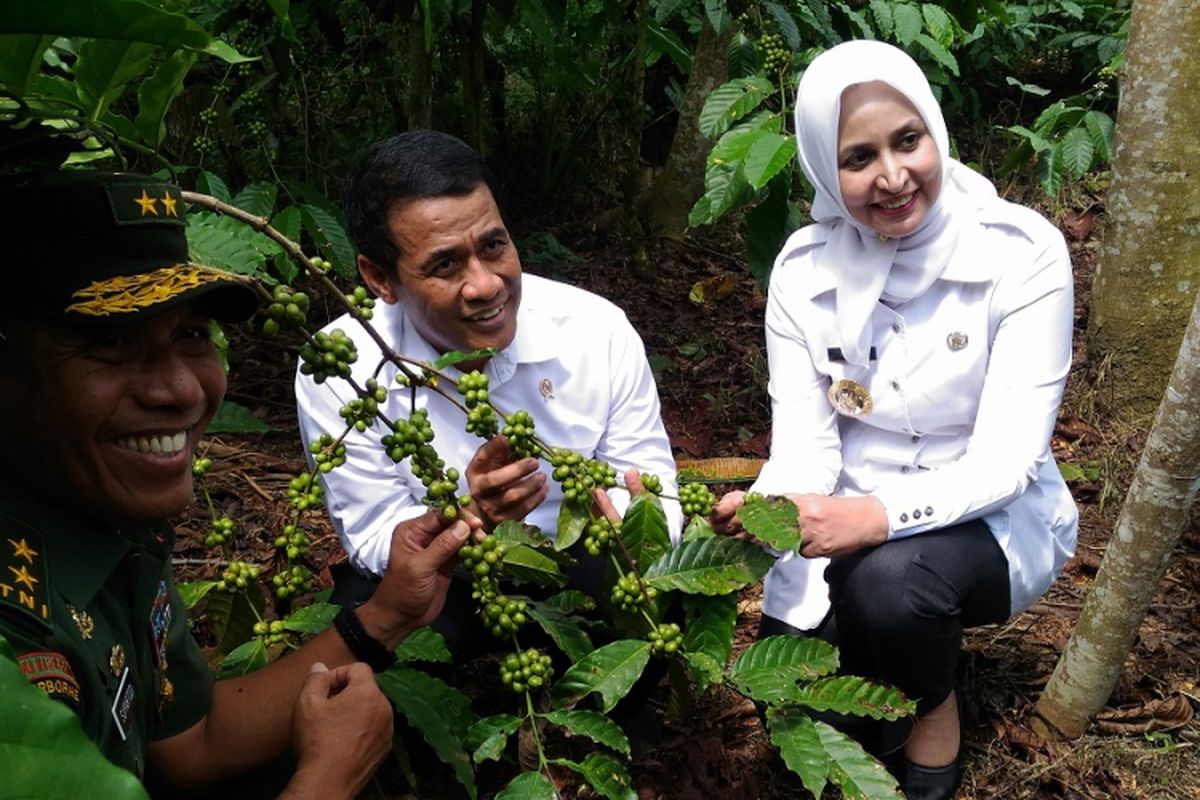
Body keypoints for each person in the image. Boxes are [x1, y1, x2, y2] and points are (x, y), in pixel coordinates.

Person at [0, 170, 476, 797]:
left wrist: (388, 614)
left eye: (192, 336)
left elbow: (191, 744)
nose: (181, 390)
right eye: (109, 344)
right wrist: (329, 778)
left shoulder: (113, 527)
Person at [712, 40, 1078, 800]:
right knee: (793, 709)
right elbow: (806, 445)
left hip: (991, 517)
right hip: (851, 502)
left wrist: (875, 517)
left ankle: (937, 703)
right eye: (858, 156)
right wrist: (775, 513)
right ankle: (902, 670)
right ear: (822, 166)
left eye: (907, 141)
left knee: (891, 588)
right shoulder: (803, 270)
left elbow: (1008, 461)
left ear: (935, 132)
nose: (891, 175)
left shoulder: (1022, 253)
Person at [294, 131, 681, 628]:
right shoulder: (343, 369)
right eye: (445, 264)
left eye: (493, 246)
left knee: (648, 620)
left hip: (581, 558)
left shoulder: (595, 330)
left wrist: (635, 530)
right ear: (380, 280)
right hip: (445, 576)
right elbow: (373, 539)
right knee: (363, 638)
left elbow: (645, 475)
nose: (485, 284)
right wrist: (468, 519)